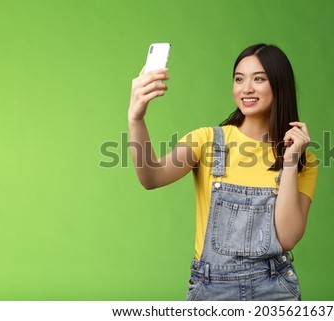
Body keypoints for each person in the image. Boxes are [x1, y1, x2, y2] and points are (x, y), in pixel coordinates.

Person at [128, 43, 318, 301]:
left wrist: (290, 161)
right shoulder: (206, 140)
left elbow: (286, 239)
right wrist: (136, 119)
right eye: (239, 79)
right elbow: (151, 177)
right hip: (211, 290)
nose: (246, 88)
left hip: (274, 290)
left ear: (279, 85)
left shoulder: (303, 159)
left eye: (259, 79)